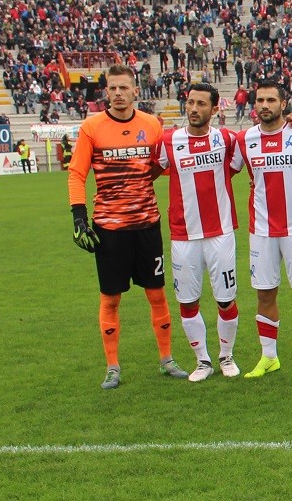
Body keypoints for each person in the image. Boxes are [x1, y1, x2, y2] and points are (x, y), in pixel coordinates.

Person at [67, 63, 187, 389]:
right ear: (106, 91)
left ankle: (167, 359)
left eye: (124, 88)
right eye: (113, 88)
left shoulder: (151, 124)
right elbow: (76, 174)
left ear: (136, 91)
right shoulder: (92, 127)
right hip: (109, 228)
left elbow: (160, 165)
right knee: (110, 299)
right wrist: (79, 217)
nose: (118, 93)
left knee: (157, 294)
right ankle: (112, 367)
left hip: (147, 224)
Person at [230, 81, 292, 379]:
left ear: (283, 104)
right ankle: (269, 357)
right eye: (260, 100)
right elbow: (221, 172)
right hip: (261, 232)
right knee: (264, 294)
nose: (265, 105)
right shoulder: (244, 140)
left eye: (271, 100)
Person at [152, 83, 242, 382]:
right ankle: (202, 361)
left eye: (201, 104)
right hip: (183, 235)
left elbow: (237, 166)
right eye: (190, 102)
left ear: (214, 109)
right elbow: (149, 173)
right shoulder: (168, 142)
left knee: (225, 299)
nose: (193, 108)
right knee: (188, 301)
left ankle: (226, 355)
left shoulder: (227, 140)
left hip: (220, 233)